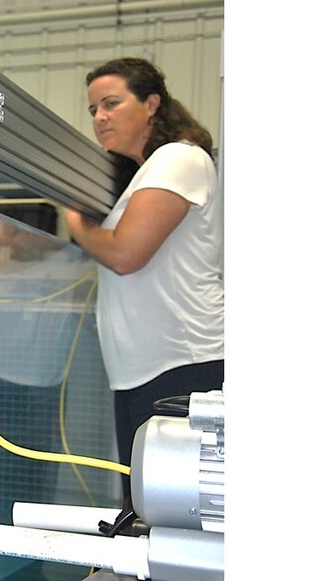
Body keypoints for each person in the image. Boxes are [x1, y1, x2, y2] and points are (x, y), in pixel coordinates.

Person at [63, 57, 224, 501]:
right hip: (139, 370)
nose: (100, 117)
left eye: (112, 104)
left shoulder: (178, 158)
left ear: (151, 103)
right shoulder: (143, 174)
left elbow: (125, 253)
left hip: (183, 362)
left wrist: (75, 221)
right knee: (148, 507)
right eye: (94, 108)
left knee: (180, 511)